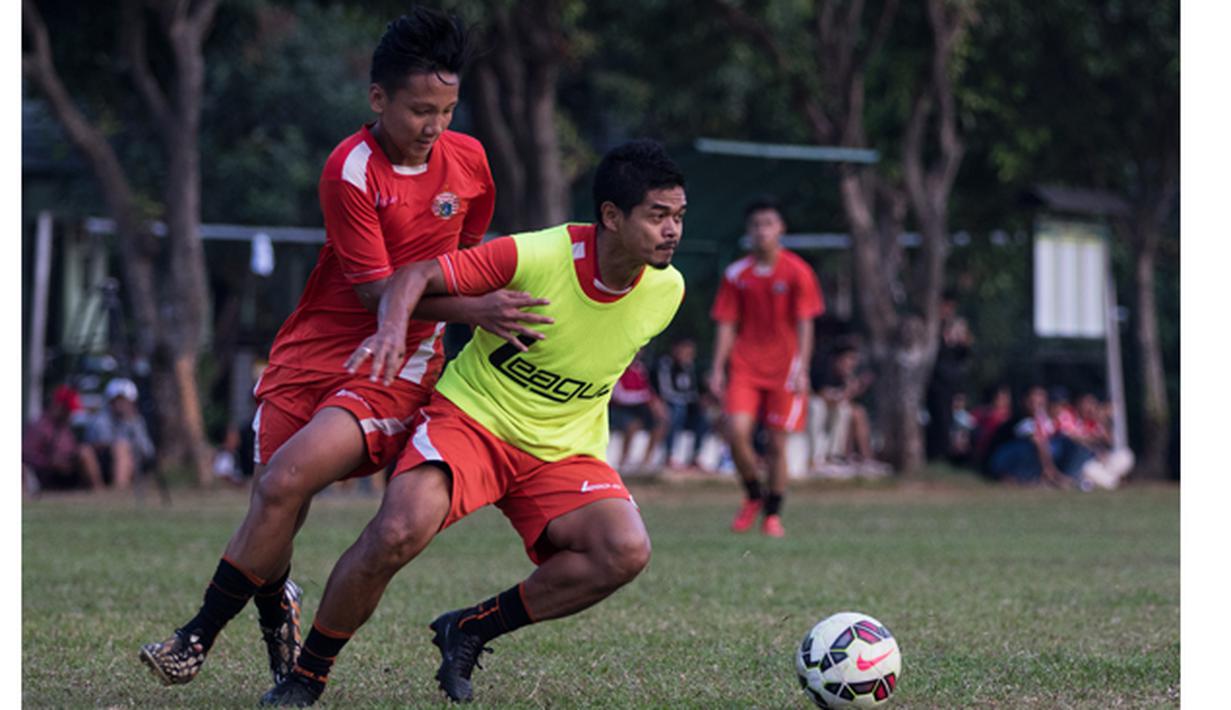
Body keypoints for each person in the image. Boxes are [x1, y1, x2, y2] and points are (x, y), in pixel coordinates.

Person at [139, 8, 552, 689]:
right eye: (421, 109)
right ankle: (279, 608)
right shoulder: (349, 170)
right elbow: (373, 295)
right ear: (378, 99)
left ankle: (195, 637)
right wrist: (475, 309)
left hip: (394, 362)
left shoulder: (472, 162)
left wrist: (469, 305)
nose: (434, 127)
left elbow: (463, 262)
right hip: (312, 348)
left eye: (447, 110)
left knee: (283, 481)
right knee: (273, 505)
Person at [258, 139, 686, 706]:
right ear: (611, 216)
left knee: (624, 550)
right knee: (396, 533)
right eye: (658, 215)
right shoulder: (535, 255)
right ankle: (306, 677)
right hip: (473, 422)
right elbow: (414, 276)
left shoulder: (668, 290)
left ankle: (471, 628)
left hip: (563, 449)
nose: (673, 229)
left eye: (679, 216)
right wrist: (391, 330)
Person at [709, 197, 824, 538]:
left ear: (781, 229)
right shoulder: (736, 274)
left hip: (784, 370)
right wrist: (717, 368)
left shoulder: (797, 271)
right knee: (735, 432)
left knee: (777, 444)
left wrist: (802, 367)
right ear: (749, 231)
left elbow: (805, 323)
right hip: (745, 366)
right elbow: (727, 323)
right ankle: (753, 495)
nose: (762, 231)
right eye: (756, 225)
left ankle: (772, 514)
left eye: (769, 224)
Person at [812, 344, 889, 477]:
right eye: (849, 359)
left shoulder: (846, 376)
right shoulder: (823, 372)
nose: (852, 364)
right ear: (837, 360)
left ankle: (863, 458)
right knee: (854, 412)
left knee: (856, 412)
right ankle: (857, 457)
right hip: (819, 412)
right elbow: (826, 397)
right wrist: (851, 389)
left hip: (836, 411)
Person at [22, 384, 103, 494]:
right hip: (46, 475)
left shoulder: (65, 428)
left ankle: (99, 490)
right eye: (68, 410)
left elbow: (72, 450)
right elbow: (26, 455)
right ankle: (98, 491)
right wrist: (50, 463)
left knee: (85, 451)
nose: (70, 414)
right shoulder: (39, 426)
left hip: (68, 473)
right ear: (58, 406)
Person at [83, 377, 156, 490]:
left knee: (121, 448)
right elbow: (98, 444)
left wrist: (131, 426)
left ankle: (119, 489)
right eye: (117, 400)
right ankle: (98, 490)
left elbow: (148, 451)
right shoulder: (100, 419)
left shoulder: (137, 421)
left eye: (124, 400)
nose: (121, 404)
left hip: (132, 461)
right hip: (104, 462)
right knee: (116, 447)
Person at [926, 292, 973, 460]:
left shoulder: (953, 328)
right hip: (935, 383)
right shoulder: (930, 329)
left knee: (949, 421)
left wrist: (962, 341)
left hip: (950, 382)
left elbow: (963, 354)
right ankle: (937, 455)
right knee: (939, 420)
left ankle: (944, 455)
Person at [653, 337, 711, 469]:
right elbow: (666, 391)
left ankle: (695, 456)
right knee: (678, 411)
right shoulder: (665, 364)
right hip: (668, 404)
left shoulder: (690, 367)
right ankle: (668, 455)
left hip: (686, 404)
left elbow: (694, 391)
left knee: (703, 417)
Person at [609, 350, 669, 472]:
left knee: (660, 423)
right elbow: (620, 396)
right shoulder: (616, 370)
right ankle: (623, 461)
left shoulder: (640, 369)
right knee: (632, 425)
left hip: (638, 408)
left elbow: (648, 389)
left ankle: (646, 461)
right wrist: (645, 397)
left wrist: (655, 403)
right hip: (618, 409)